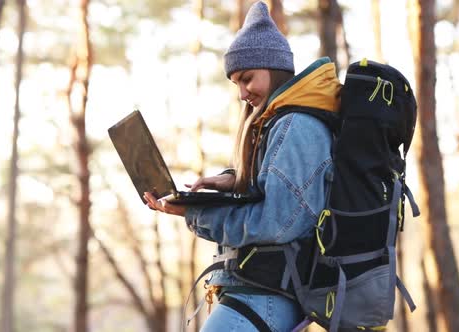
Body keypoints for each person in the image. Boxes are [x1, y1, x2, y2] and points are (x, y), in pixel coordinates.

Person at [143, 1, 341, 331]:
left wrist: (195, 215)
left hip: (264, 299)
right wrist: (231, 181)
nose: (242, 93)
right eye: (236, 83)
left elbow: (276, 221)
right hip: (256, 298)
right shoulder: (282, 123)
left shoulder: (298, 127)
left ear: (275, 68)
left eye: (247, 78)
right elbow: (278, 188)